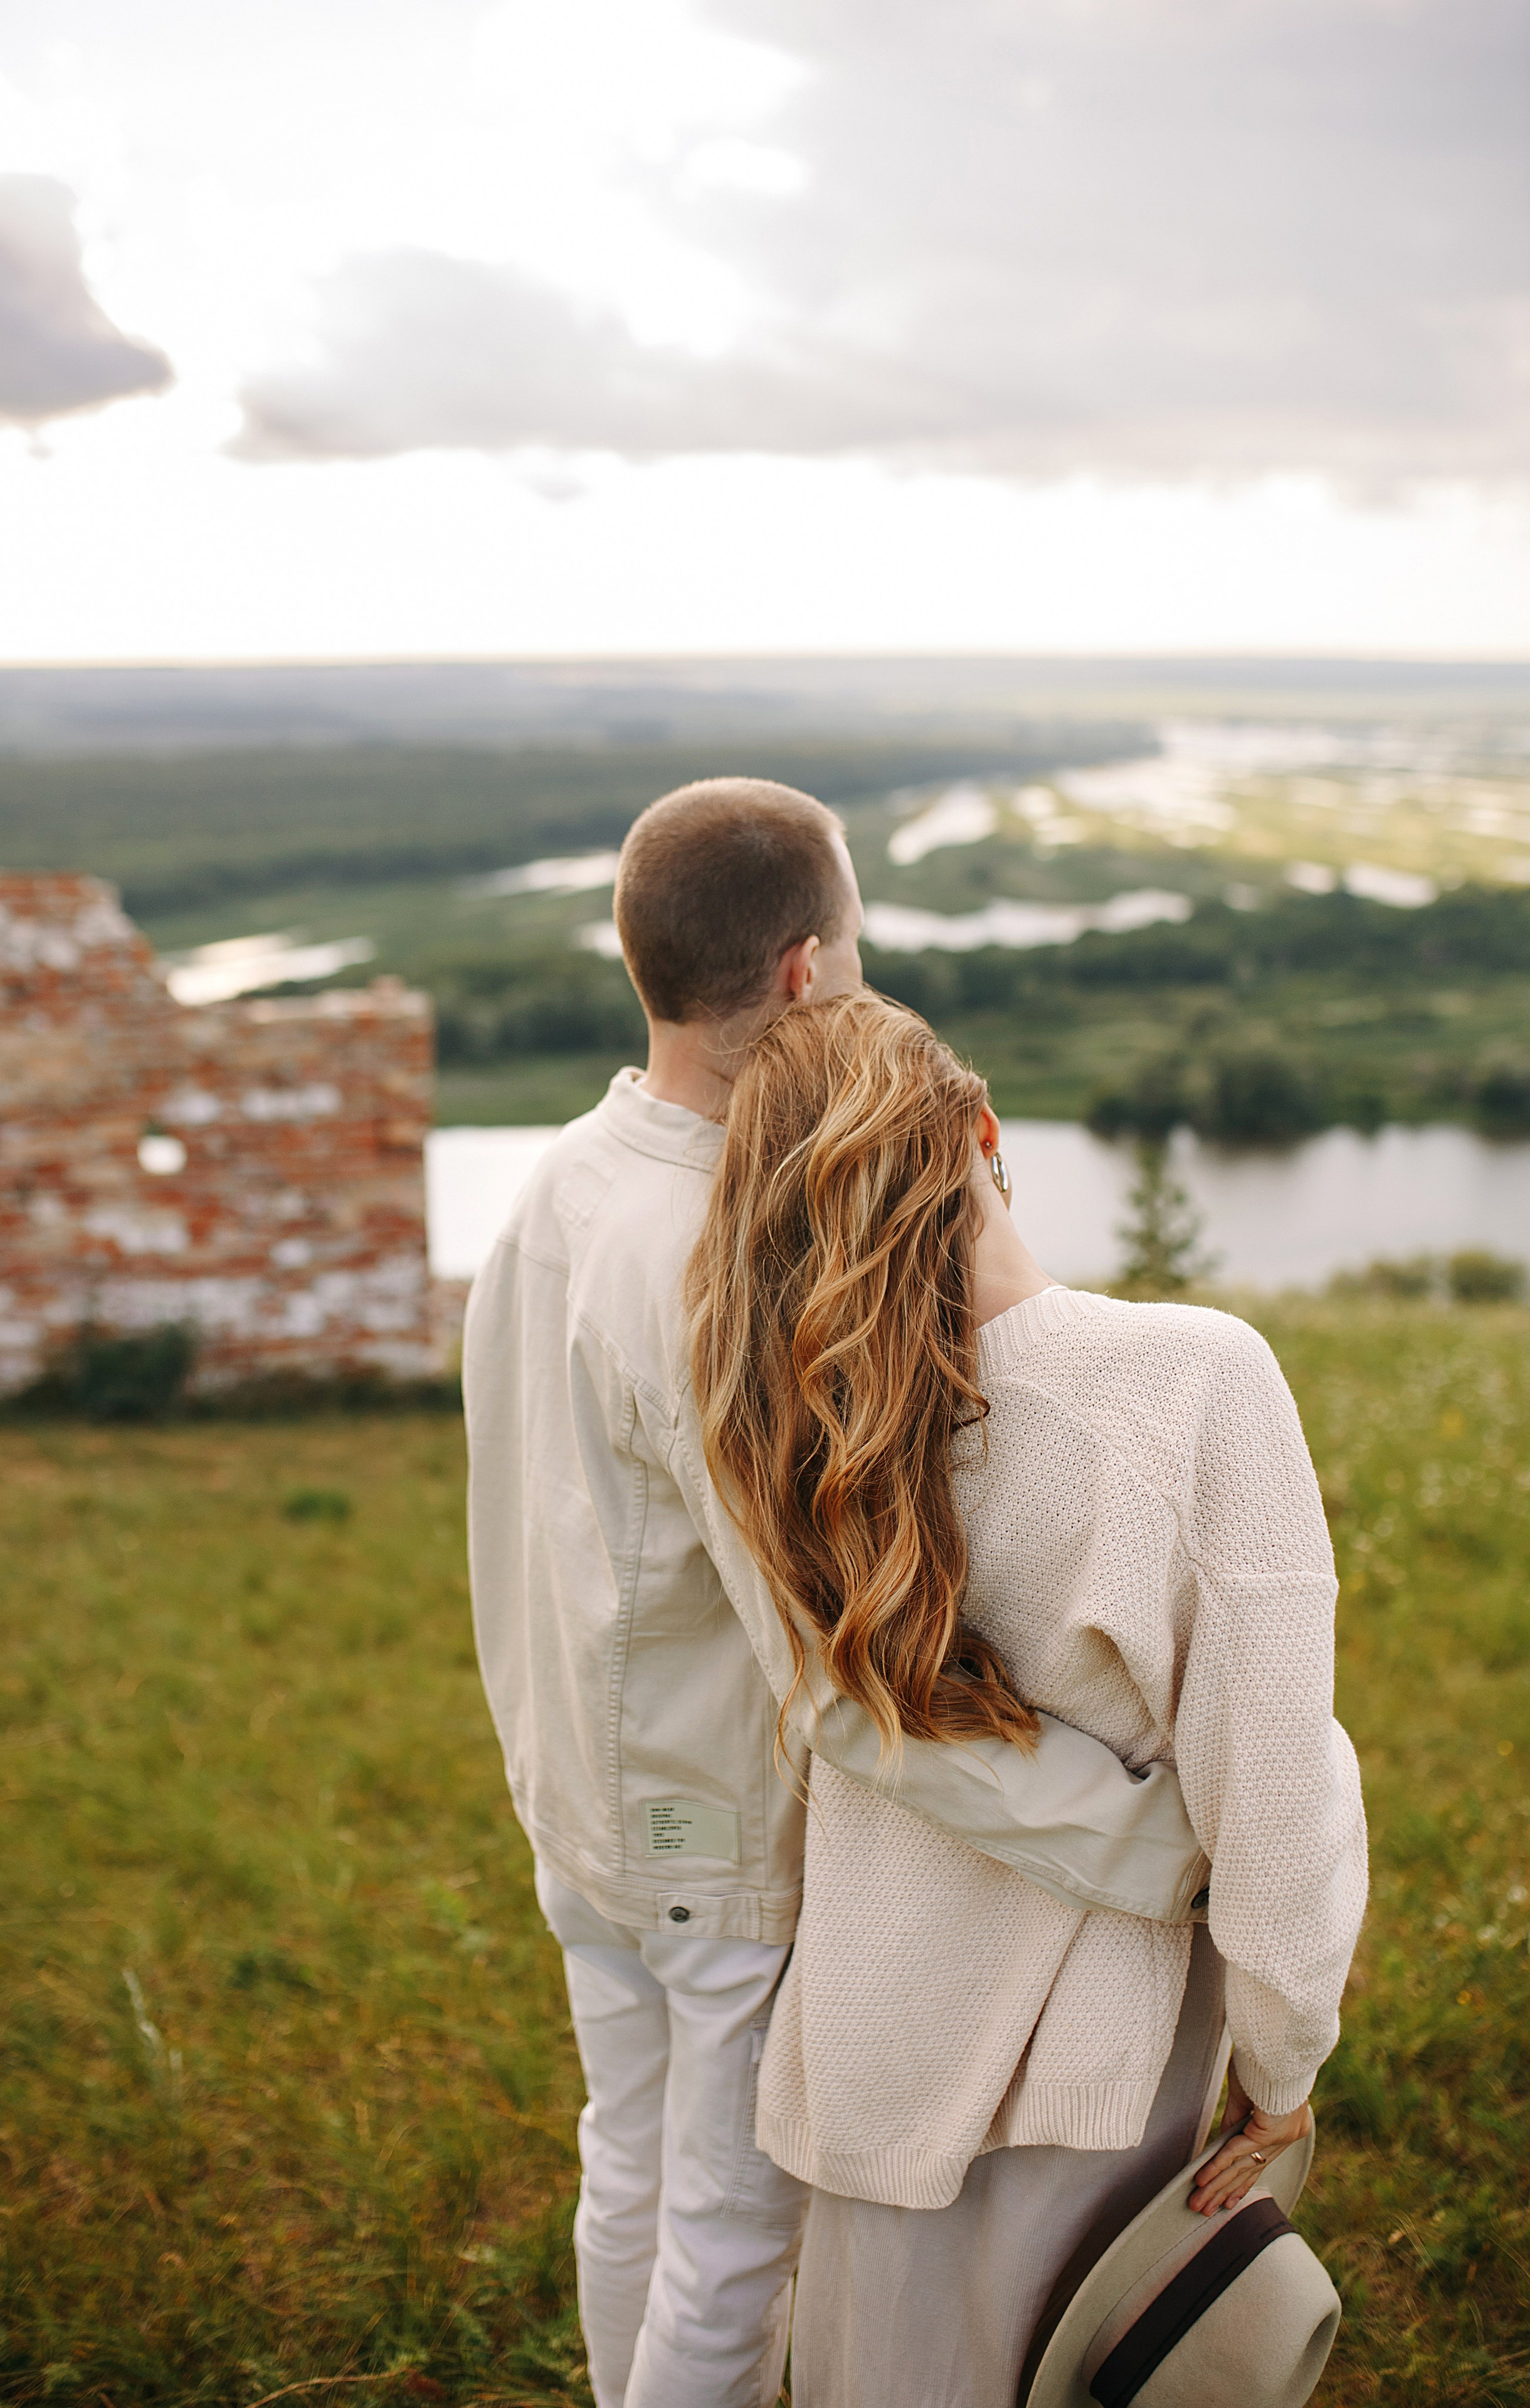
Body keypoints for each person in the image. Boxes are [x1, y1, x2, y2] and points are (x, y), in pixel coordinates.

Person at [463, 779, 1210, 2408]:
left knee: (632, 2174)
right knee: (732, 2253)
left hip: (578, 1806)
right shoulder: (716, 1257)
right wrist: (1153, 1842)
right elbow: (835, 1675)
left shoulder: (559, 1185)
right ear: (806, 971)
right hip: (703, 1835)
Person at [685, 990, 1369, 2408]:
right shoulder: (1190, 1386)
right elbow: (1275, 1798)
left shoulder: (774, 1427)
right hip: (1093, 2090)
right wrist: (1285, 2061)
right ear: (981, 1133)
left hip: (867, 2047)